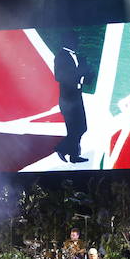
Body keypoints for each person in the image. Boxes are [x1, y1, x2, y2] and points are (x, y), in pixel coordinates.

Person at [54, 34, 89, 164]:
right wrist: (78, 76)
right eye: (75, 40)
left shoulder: (78, 57)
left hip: (76, 96)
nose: (77, 43)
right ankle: (62, 149)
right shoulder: (60, 56)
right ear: (69, 41)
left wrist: (84, 77)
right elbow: (58, 76)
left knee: (81, 127)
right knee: (76, 128)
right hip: (67, 98)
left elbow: (86, 75)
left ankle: (73, 155)